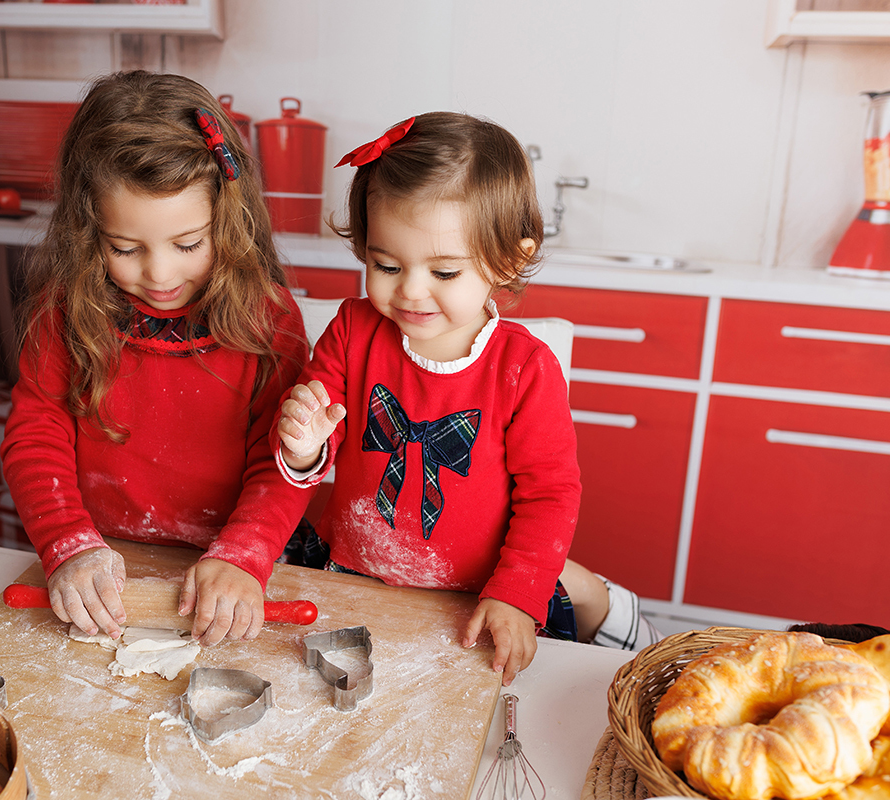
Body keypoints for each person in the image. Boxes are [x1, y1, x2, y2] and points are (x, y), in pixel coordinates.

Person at [273, 112, 659, 685]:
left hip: (477, 597)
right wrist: (304, 446)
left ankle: (617, 612)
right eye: (386, 265)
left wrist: (519, 595)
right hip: (351, 573)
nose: (409, 289)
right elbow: (317, 439)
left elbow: (550, 494)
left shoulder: (525, 369)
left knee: (609, 656)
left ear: (505, 260)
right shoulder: (353, 330)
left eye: (444, 271)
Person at [1, 70, 311, 648]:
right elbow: (35, 432)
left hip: (230, 571)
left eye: (189, 243)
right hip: (102, 566)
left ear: (229, 218)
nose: (161, 274)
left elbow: (283, 460)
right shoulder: (66, 311)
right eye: (124, 248)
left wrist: (245, 554)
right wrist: (67, 540)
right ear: (87, 229)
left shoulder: (268, 320)